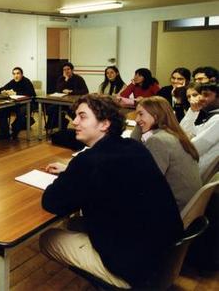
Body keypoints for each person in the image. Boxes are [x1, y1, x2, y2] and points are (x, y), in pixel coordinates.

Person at [40, 94, 183, 289]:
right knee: (74, 222)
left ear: (104, 124)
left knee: (48, 238)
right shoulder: (134, 146)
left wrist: (73, 171)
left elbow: (50, 202)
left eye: (82, 116)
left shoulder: (88, 161)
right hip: (164, 257)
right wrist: (74, 171)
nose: (74, 122)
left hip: (133, 271)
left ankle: (109, 282)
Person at [131, 97, 201, 211]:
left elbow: (145, 182)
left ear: (156, 115)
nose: (136, 119)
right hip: (187, 206)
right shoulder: (173, 134)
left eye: (141, 114)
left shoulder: (158, 141)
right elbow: (134, 145)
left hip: (173, 210)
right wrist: (141, 122)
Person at [0, 67, 36, 140]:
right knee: (1, 110)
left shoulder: (26, 81)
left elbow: (31, 93)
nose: (16, 76)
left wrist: (16, 93)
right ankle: (5, 134)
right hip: (16, 104)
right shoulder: (13, 81)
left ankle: (15, 131)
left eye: (18, 73)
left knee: (21, 112)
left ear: (22, 74)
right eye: (14, 74)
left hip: (28, 104)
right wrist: (2, 91)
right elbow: (2, 88)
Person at [46, 62, 89, 130]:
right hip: (62, 102)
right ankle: (61, 122)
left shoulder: (78, 78)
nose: (66, 71)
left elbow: (85, 91)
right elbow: (58, 90)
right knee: (50, 109)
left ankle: (81, 127)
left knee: (71, 111)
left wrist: (71, 92)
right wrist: (66, 80)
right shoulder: (61, 78)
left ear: (72, 70)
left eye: (68, 69)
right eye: (64, 70)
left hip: (74, 102)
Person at [191, 83, 219, 183]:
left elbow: (195, 148)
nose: (200, 98)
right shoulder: (211, 116)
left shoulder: (217, 119)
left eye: (206, 95)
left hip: (197, 174)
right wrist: (193, 111)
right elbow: (187, 132)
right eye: (201, 95)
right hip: (196, 169)